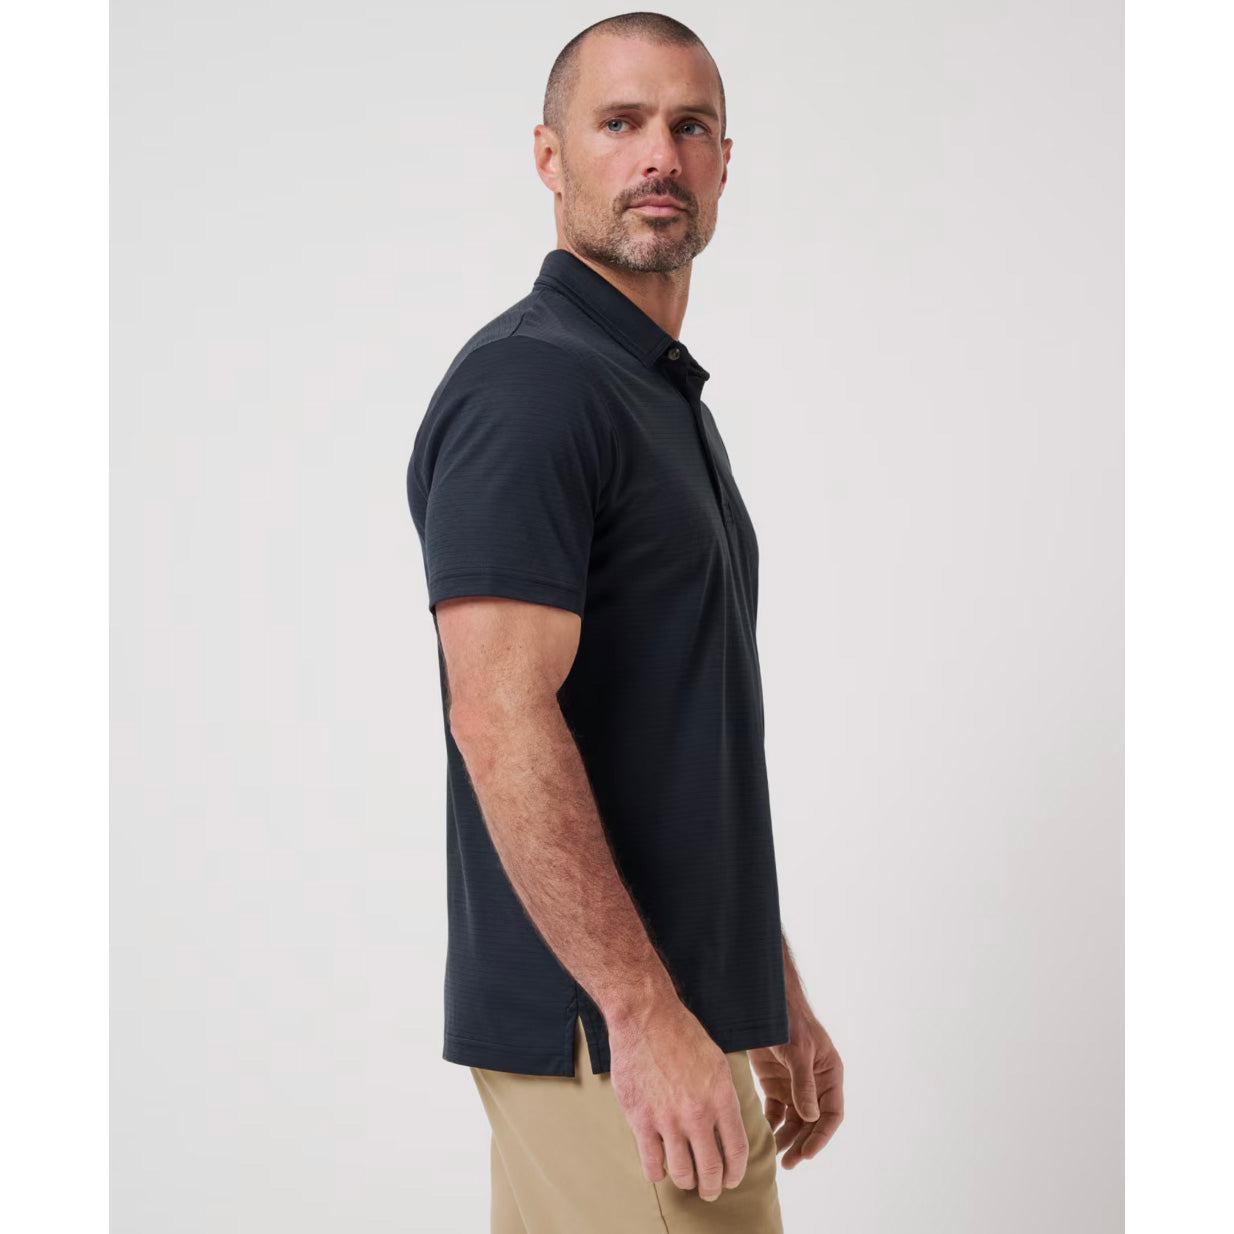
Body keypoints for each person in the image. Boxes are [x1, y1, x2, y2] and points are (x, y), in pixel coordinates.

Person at [405, 11, 844, 1231]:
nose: (659, 153)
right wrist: (641, 1014)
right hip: (608, 1035)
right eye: (619, 122)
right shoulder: (533, 385)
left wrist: (767, 990)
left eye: (689, 125)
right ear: (550, 157)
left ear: (723, 162)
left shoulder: (651, 395)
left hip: (673, 1019)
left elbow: (675, 746)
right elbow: (498, 714)